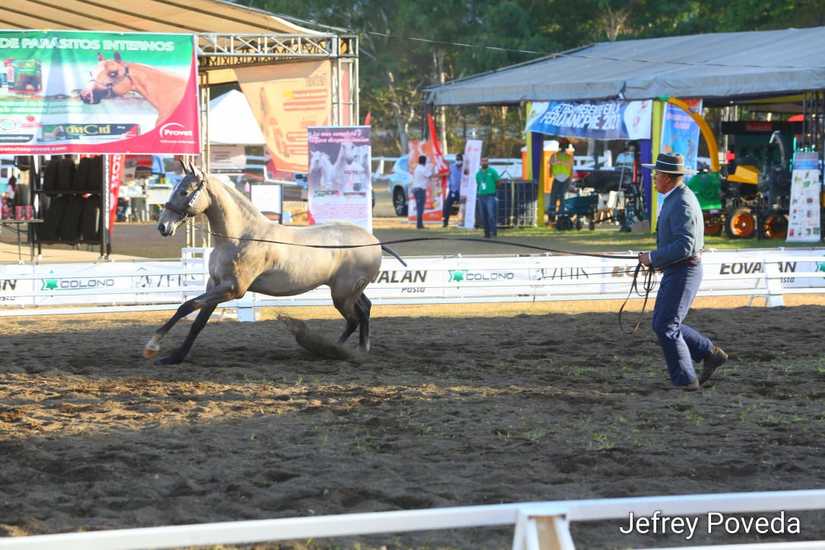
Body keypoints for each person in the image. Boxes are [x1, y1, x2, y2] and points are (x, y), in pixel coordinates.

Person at [638, 153, 728, 391]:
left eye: (657, 174)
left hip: (684, 270)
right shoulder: (677, 197)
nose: (654, 178)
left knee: (666, 325)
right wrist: (655, 259)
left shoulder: (681, 202)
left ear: (667, 178)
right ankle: (709, 353)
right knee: (663, 323)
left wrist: (653, 257)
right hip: (678, 269)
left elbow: (685, 245)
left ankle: (686, 380)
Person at [548, 142, 574, 221]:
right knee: (562, 197)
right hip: (564, 178)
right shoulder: (568, 156)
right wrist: (571, 179)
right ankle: (560, 215)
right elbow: (571, 168)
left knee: (554, 197)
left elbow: (551, 164)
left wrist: (550, 173)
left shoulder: (555, 155)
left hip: (558, 178)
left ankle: (552, 216)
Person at [475, 157, 500, 238]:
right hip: (481, 196)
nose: (484, 162)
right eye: (483, 161)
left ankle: (493, 232)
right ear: (480, 163)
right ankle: (486, 233)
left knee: (491, 215)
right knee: (483, 215)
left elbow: (498, 182)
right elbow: (478, 184)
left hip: (490, 196)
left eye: (486, 161)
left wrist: (493, 189)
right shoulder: (478, 173)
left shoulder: (493, 171)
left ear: (488, 162)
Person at [411, 154, 432, 229]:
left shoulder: (418, 168)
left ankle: (419, 224)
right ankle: (419, 224)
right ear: (425, 161)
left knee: (419, 206)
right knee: (420, 207)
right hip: (420, 190)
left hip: (416, 189)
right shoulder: (423, 169)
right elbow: (430, 175)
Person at [443, 153, 463, 227]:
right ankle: (445, 222)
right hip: (452, 190)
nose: (458, 161)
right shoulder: (452, 166)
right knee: (447, 205)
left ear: (462, 160)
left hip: (461, 191)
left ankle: (463, 222)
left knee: (464, 207)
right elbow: (448, 175)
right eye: (457, 159)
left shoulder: (465, 168)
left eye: (460, 159)